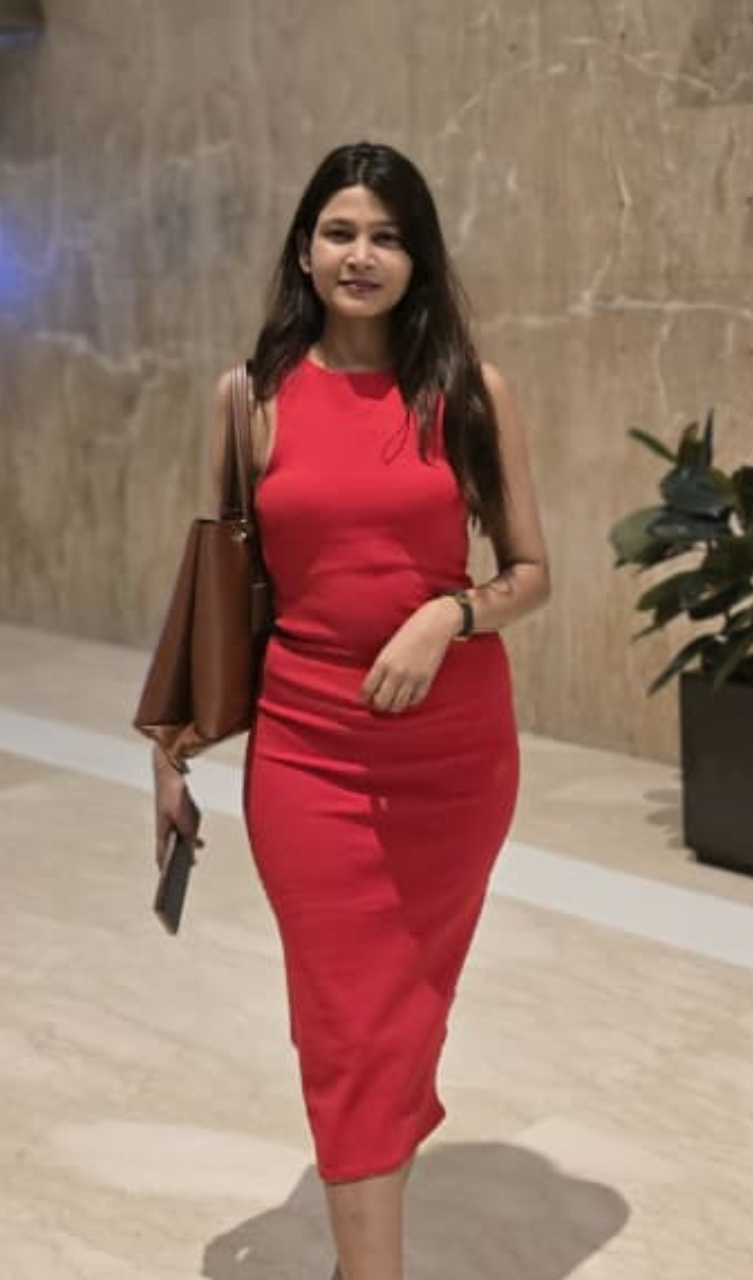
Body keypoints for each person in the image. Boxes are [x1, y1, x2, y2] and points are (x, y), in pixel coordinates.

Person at [152, 140, 551, 1280]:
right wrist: (169, 756)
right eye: (339, 232)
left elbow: (531, 571)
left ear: (419, 258)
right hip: (307, 753)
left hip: (454, 756)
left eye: (386, 235)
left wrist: (447, 616)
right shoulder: (249, 398)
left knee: (406, 1012)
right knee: (343, 1020)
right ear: (304, 249)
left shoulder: (469, 392)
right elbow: (217, 587)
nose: (360, 255)